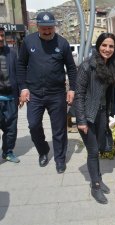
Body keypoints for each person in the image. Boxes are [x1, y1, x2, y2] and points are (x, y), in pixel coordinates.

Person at [17, 12, 77, 173]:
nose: (47, 31)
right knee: (33, 125)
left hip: (56, 93)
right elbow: (21, 65)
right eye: (44, 28)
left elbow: (71, 68)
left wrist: (72, 89)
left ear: (54, 27)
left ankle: (60, 159)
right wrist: (23, 87)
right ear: (37, 27)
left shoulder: (62, 43)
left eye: (50, 28)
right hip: (34, 93)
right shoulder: (28, 41)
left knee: (59, 129)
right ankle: (43, 150)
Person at [75, 33, 115, 204]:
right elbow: (78, 94)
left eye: (111, 46)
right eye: (104, 45)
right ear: (98, 46)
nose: (107, 49)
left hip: (101, 113)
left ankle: (98, 179)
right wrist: (81, 120)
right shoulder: (87, 66)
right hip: (88, 114)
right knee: (93, 151)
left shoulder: (110, 66)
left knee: (99, 149)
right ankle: (95, 186)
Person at [0, 27, 20, 163]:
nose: (1, 39)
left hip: (11, 99)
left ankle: (8, 152)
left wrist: (21, 93)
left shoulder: (12, 53)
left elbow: (19, 74)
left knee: (11, 129)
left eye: (2, 35)